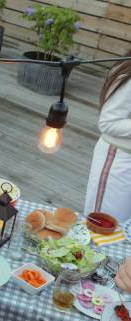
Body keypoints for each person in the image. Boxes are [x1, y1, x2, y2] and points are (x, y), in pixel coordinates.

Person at [85, 50, 131, 223]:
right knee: (104, 224)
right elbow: (108, 122)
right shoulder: (128, 76)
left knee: (125, 225)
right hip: (119, 160)